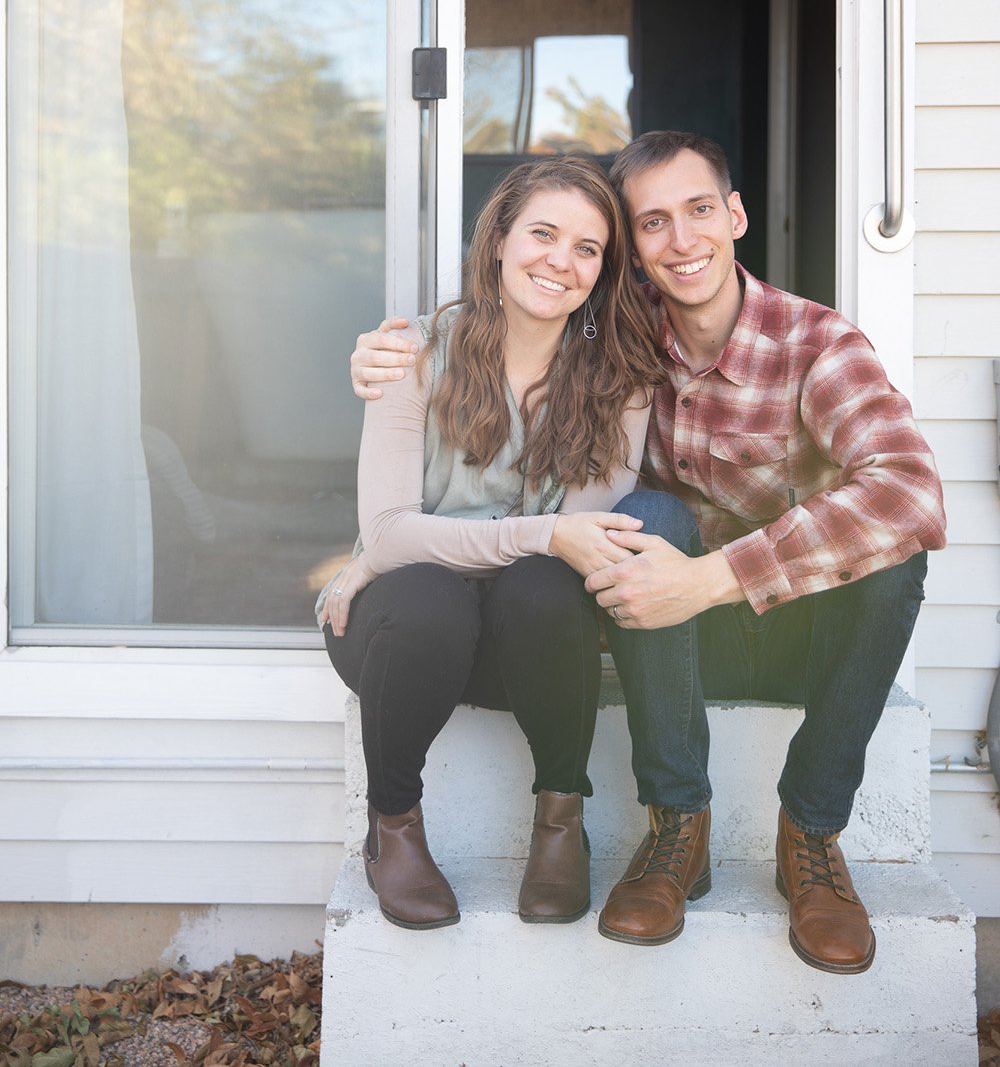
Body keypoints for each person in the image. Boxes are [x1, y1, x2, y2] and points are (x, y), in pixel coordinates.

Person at [350, 130, 946, 974]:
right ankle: (678, 830)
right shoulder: (626, 354)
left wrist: (712, 580)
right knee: (650, 514)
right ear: (633, 253)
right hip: (673, 650)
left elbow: (912, 494)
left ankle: (812, 837)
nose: (683, 240)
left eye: (700, 210)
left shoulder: (818, 345)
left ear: (735, 214)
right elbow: (543, 490)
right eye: (653, 223)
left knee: (893, 555)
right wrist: (378, 537)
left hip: (788, 639)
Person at [318, 155, 666, 932]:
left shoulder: (621, 382)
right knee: (428, 596)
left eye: (587, 249)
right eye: (543, 233)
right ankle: (394, 826)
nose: (560, 262)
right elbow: (395, 533)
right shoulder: (412, 353)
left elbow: (583, 547)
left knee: (544, 587)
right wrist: (390, 551)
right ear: (500, 240)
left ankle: (559, 825)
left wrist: (397, 546)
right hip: (403, 641)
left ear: (603, 273)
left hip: (530, 648)